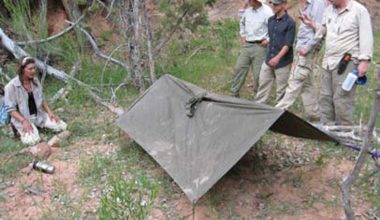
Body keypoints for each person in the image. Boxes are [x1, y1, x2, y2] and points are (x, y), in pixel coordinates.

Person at [301, 0, 373, 125]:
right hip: (328, 61)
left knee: (342, 98)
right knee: (325, 97)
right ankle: (328, 130)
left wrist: (364, 60)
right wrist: (312, 24)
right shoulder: (328, 10)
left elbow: (366, 36)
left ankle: (344, 131)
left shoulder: (359, 10)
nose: (328, 0)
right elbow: (324, 30)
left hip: (347, 61)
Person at [275, 0, 328, 121]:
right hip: (302, 48)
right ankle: (315, 115)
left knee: (295, 80)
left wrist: (308, 47)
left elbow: (321, 30)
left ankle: (277, 113)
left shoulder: (318, 3)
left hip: (306, 49)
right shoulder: (310, 4)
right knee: (306, 84)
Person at [4, 56, 67, 145]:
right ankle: (18, 130)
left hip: (38, 115)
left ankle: (37, 126)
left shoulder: (35, 81)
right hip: (23, 118)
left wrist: (50, 112)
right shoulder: (11, 86)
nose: (33, 71)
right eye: (30, 69)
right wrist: (23, 121)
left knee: (62, 126)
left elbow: (42, 99)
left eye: (34, 68)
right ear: (22, 69)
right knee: (33, 141)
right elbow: (11, 110)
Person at [254, 0, 296, 104]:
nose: (274, 6)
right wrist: (267, 41)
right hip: (269, 58)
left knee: (281, 92)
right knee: (262, 86)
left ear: (284, 5)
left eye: (276, 4)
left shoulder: (290, 22)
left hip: (282, 62)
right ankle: (258, 109)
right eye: (273, 4)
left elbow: (288, 44)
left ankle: (280, 115)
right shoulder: (270, 20)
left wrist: (277, 58)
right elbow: (273, 36)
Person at [230, 0, 273, 98]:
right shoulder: (248, 11)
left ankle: (257, 98)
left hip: (260, 46)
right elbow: (242, 23)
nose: (248, 1)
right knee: (239, 68)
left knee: (258, 74)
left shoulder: (267, 12)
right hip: (247, 45)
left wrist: (268, 40)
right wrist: (243, 36)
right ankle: (233, 95)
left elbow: (274, 28)